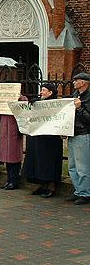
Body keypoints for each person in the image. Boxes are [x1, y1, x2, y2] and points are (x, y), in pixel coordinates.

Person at [22, 83, 63, 198]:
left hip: (51, 139)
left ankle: (51, 186)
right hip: (39, 136)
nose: (41, 92)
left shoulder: (56, 104)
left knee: (49, 162)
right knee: (39, 161)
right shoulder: (40, 102)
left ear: (50, 93)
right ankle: (42, 184)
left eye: (43, 90)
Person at [65, 72, 90, 205]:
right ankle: (78, 190)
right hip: (73, 133)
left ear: (84, 82)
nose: (74, 82)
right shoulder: (75, 95)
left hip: (83, 133)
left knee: (83, 166)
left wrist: (80, 108)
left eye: (76, 80)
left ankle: (86, 193)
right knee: (72, 166)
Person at [0, 94, 28, 190]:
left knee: (13, 157)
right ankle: (8, 179)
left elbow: (24, 109)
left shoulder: (21, 98)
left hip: (14, 130)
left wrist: (19, 98)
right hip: (5, 130)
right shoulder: (3, 99)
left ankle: (14, 181)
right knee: (7, 157)